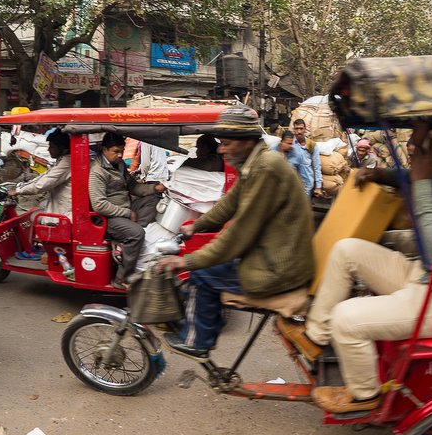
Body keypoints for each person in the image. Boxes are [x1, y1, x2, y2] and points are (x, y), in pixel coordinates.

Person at [295, 116, 432, 414]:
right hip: (422, 277)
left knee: (345, 318)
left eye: (418, 137)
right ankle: (317, 335)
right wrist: (380, 174)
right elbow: (409, 176)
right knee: (347, 250)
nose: (412, 144)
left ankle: (364, 394)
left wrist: (423, 183)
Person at [155, 107, 315, 361]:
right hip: (274, 255)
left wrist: (187, 261)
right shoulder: (256, 162)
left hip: (278, 268)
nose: (221, 150)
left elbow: (240, 233)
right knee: (210, 269)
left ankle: (197, 342)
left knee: (201, 275)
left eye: (227, 143)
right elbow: (230, 202)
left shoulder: (265, 168)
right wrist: (196, 225)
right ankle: (207, 327)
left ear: (247, 142)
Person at [89, 132, 166, 288]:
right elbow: (99, 205)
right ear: (104, 149)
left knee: (153, 200)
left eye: (122, 151)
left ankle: (125, 242)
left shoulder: (120, 165)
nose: (120, 155)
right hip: (108, 217)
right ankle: (122, 278)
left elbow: (133, 187)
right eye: (116, 151)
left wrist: (154, 188)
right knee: (136, 233)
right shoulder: (97, 171)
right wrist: (127, 213)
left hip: (126, 206)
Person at [10, 129, 72, 219]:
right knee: (41, 206)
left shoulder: (66, 162)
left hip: (66, 213)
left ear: (62, 148)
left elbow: (41, 185)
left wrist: (17, 191)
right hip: (64, 206)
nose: (48, 149)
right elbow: (44, 176)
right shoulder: (64, 160)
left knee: (32, 217)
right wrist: (19, 187)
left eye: (51, 147)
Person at [278, 130, 314, 195]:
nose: (291, 146)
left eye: (292, 143)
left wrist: (306, 194)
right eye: (288, 143)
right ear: (281, 142)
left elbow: (306, 177)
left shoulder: (297, 155)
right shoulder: (273, 150)